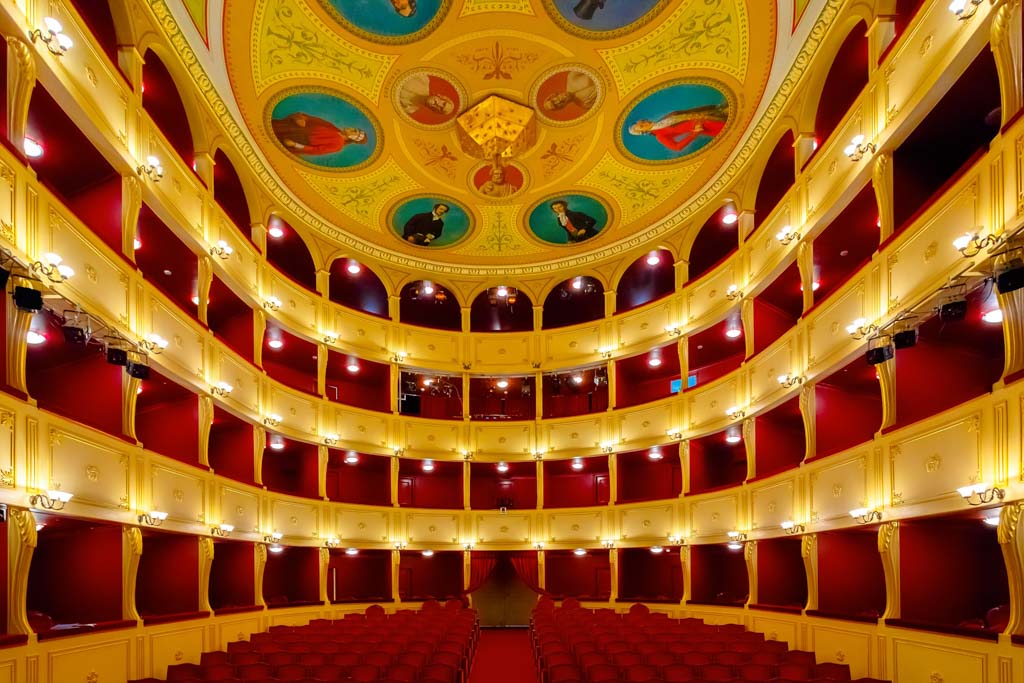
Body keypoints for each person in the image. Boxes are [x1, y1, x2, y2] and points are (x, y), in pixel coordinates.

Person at [627, 103, 728, 153]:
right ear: (643, 131)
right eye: (642, 126)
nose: (645, 122)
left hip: (710, 114)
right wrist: (694, 134)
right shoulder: (659, 135)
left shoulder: (662, 120)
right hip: (707, 125)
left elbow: (683, 112)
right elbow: (677, 147)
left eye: (643, 121)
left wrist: (711, 107)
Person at [271, 112, 367, 157]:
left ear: (352, 137)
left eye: (354, 131)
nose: (351, 128)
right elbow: (309, 118)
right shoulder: (334, 128)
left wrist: (294, 144)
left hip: (294, 139)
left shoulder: (338, 145)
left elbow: (314, 150)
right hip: (288, 128)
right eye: (354, 128)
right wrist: (300, 119)